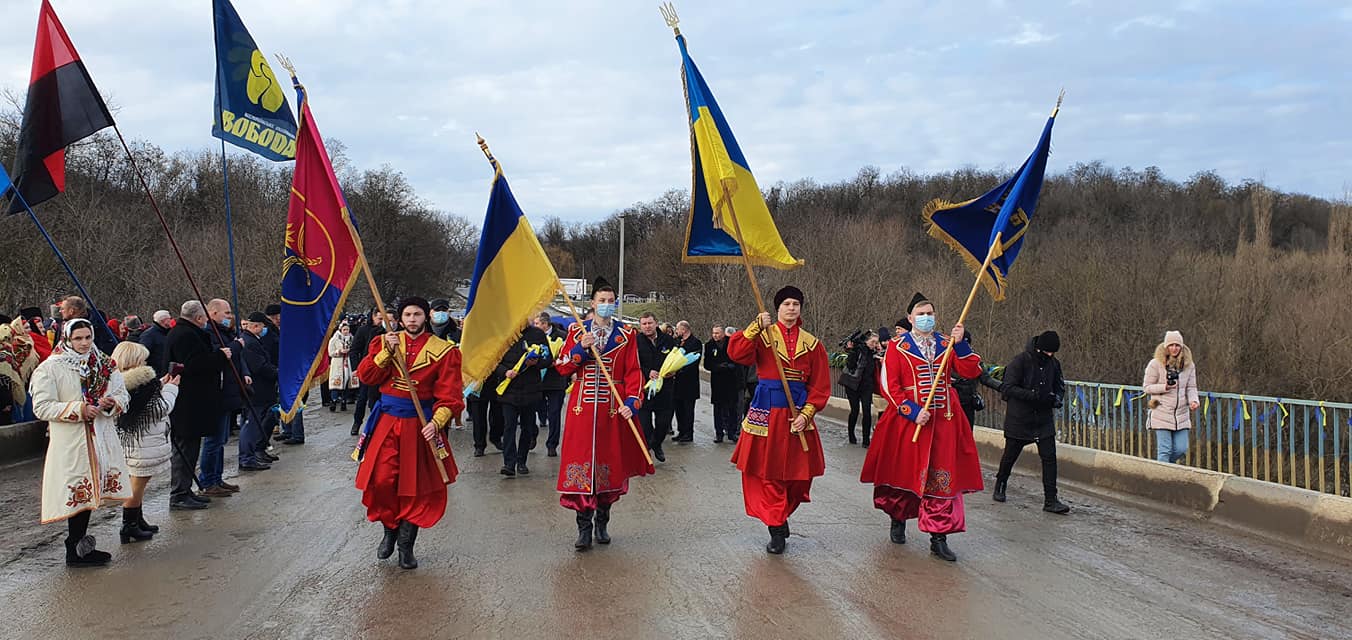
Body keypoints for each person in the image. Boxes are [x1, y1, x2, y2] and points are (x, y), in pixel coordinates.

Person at [860, 293, 983, 562]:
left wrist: (960, 345)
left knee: (942, 478)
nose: (927, 318)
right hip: (909, 421)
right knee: (904, 473)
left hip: (944, 421)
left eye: (930, 313)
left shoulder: (946, 343)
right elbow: (888, 386)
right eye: (921, 313)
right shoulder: (896, 346)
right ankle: (898, 517)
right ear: (910, 318)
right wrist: (911, 411)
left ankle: (939, 537)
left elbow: (971, 371)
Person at [354, 297, 464, 570]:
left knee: (414, 487)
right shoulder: (383, 342)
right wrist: (385, 354)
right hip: (388, 422)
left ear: (425, 317)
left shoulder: (445, 351)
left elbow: (450, 395)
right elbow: (367, 377)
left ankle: (406, 544)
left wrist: (437, 421)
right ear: (400, 318)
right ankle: (389, 530)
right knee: (381, 481)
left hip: (420, 425)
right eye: (407, 314)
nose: (412, 319)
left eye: (417, 314)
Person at [554, 277, 653, 550]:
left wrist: (633, 401)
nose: (607, 305)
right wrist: (580, 349)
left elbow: (634, 371)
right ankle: (583, 528)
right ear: (592, 303)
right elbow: (561, 366)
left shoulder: (626, 335)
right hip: (581, 411)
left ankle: (602, 523)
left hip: (612, 410)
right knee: (580, 468)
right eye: (602, 301)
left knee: (608, 468)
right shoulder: (576, 331)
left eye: (611, 301)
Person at [727, 286, 829, 555]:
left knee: (798, 476)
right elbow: (736, 353)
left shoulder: (813, 344)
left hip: (797, 413)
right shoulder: (763, 337)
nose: (791, 308)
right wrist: (753, 328)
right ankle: (776, 526)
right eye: (786, 304)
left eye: (796, 303)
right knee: (767, 472)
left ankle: (781, 513)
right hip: (767, 410)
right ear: (777, 308)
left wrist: (807, 414)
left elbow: (820, 386)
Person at [31, 319, 131, 566]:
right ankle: (74, 548)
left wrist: (111, 404)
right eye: (78, 338)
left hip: (100, 437)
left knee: (92, 493)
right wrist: (78, 409)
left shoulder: (104, 363)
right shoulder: (51, 368)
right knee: (78, 491)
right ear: (67, 339)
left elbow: (122, 393)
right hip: (72, 441)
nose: (84, 343)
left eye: (88, 337)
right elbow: (42, 406)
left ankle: (81, 546)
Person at [991, 331, 1070, 514]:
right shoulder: (1020, 362)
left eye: (1053, 353)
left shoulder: (1053, 364)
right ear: (1038, 348)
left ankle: (1051, 499)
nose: (1050, 356)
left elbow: (1059, 385)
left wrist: (1057, 398)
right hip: (1020, 418)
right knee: (1010, 455)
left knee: (1049, 458)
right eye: (1047, 352)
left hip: (1043, 419)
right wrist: (1032, 395)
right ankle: (1000, 484)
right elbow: (1008, 388)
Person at [111, 342, 179, 543]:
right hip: (143, 443)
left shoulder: (126, 383)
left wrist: (160, 385)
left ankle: (137, 519)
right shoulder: (137, 385)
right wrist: (171, 389)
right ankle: (129, 524)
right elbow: (158, 409)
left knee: (138, 481)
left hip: (137, 442)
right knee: (136, 485)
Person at [166, 300, 230, 511]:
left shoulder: (186, 333)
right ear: (199, 318)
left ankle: (186, 490)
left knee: (191, 448)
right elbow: (195, 364)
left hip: (193, 400)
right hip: (188, 401)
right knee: (185, 449)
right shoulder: (185, 335)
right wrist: (220, 356)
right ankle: (179, 493)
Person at [199, 299, 249, 497]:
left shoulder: (226, 332)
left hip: (228, 391)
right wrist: (236, 346)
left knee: (221, 440)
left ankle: (217, 478)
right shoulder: (210, 333)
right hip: (217, 392)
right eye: (226, 313)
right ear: (213, 313)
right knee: (213, 441)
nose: (229, 317)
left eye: (229, 313)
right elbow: (222, 357)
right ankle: (208, 480)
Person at [494, 321, 547, 476]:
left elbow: (548, 359)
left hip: (531, 390)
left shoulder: (537, 334)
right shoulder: (503, 334)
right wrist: (505, 372)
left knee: (527, 427)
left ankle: (521, 461)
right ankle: (508, 463)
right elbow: (493, 361)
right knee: (509, 426)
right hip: (508, 389)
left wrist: (537, 362)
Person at [1144, 330, 1199, 464]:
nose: (1174, 348)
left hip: (1181, 414)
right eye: (1171, 345)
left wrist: (1193, 400)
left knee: (1181, 448)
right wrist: (1165, 387)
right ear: (1166, 347)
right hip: (1162, 411)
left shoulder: (1189, 365)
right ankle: (1161, 479)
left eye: (1177, 345)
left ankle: (1164, 468)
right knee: (1165, 450)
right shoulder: (1155, 364)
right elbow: (1147, 387)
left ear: (1181, 346)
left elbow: (1191, 387)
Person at [238, 313, 279, 471]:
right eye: (263, 326)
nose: (264, 330)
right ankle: (248, 457)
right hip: (257, 390)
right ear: (256, 326)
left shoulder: (254, 340)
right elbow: (259, 366)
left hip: (264, 389)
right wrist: (277, 372)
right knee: (252, 424)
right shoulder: (249, 342)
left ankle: (258, 451)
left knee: (263, 421)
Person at [635, 312, 676, 462]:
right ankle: (646, 450)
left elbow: (677, 357)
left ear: (656, 323)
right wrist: (647, 372)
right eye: (644, 324)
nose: (647, 326)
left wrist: (674, 370)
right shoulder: (636, 341)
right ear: (640, 326)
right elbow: (634, 365)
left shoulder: (668, 340)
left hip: (665, 389)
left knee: (663, 424)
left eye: (650, 323)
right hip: (644, 390)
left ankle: (657, 444)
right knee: (645, 426)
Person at [533, 312, 570, 457]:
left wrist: (559, 361)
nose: (535, 326)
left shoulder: (561, 336)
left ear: (544, 324)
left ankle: (552, 444)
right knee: (533, 410)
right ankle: (532, 434)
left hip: (556, 380)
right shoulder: (534, 336)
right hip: (538, 380)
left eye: (537, 323)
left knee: (554, 413)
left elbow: (569, 354)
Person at [350, 308, 389, 436]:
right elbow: (355, 350)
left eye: (384, 319)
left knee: (377, 399)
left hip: (383, 371)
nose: (382, 322)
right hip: (367, 369)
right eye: (380, 319)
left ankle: (375, 424)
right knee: (362, 398)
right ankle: (357, 422)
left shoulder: (389, 331)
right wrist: (356, 368)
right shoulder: (363, 330)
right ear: (373, 317)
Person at [842, 331, 882, 447]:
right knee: (854, 410)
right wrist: (852, 351)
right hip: (852, 384)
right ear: (866, 341)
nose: (874, 344)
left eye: (876, 342)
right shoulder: (858, 350)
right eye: (872, 342)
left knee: (867, 412)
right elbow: (850, 365)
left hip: (866, 385)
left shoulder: (874, 353)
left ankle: (866, 439)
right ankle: (851, 434)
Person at [704, 325, 741, 444]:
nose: (715, 335)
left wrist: (731, 366)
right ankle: (719, 433)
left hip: (731, 380)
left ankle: (732, 432)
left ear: (723, 334)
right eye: (714, 333)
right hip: (717, 381)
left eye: (718, 333)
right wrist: (718, 367)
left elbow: (737, 358)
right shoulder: (710, 345)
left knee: (732, 408)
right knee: (718, 409)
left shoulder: (730, 343)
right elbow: (707, 364)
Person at [672, 320, 702, 444]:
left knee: (688, 409)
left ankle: (688, 433)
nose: (676, 332)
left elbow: (694, 361)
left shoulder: (696, 343)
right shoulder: (677, 342)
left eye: (678, 329)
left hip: (689, 382)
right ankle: (681, 431)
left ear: (684, 329)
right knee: (678, 409)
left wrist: (679, 369)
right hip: (677, 383)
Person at [328, 322, 357, 411]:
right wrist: (339, 351)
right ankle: (333, 401)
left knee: (346, 382)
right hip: (337, 363)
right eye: (344, 330)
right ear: (340, 330)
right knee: (336, 382)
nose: (346, 331)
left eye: (347, 329)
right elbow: (330, 352)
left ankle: (344, 401)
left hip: (347, 363)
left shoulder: (352, 338)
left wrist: (350, 351)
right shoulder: (334, 339)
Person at [138, 310, 174, 376]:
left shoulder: (169, 332)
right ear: (164, 320)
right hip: (156, 373)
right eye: (170, 318)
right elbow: (143, 355)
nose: (171, 320)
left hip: (168, 371)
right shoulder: (148, 335)